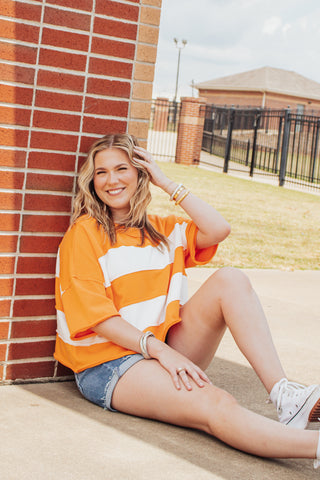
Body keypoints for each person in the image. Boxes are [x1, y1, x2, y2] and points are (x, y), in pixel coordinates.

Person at [54, 133, 320, 469]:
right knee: (214, 403)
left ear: (140, 173)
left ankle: (285, 395)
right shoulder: (85, 234)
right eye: (101, 172)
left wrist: (166, 182)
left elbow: (218, 229)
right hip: (109, 365)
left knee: (231, 279)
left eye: (122, 168)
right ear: (91, 183)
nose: (111, 180)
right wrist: (163, 353)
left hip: (161, 350)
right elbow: (99, 319)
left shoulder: (160, 231)